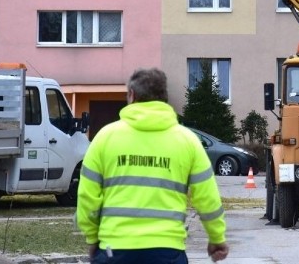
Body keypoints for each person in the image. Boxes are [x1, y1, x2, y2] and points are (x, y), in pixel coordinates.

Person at [77, 68, 229, 263]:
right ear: (164, 97)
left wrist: (92, 238)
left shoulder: (105, 138)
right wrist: (216, 237)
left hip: (114, 249)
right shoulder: (187, 141)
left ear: (131, 95)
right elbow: (208, 199)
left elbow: (87, 197)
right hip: (168, 250)